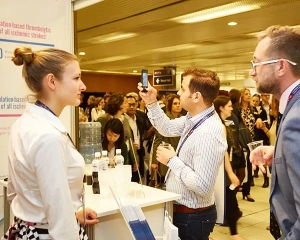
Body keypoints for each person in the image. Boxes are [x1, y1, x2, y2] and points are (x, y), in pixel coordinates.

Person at [4, 47, 99, 240]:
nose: (83, 86)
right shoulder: (47, 135)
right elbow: (61, 224)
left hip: (29, 231)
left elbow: (15, 194)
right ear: (52, 81)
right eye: (76, 78)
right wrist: (59, 219)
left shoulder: (23, 124)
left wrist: (69, 213)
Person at [138, 68, 227, 240]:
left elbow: (202, 186)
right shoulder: (194, 118)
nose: (178, 93)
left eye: (183, 89)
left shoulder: (209, 132)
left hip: (192, 217)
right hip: (185, 212)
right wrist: (151, 102)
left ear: (196, 97)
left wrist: (172, 160)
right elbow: (167, 127)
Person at [249, 25, 300, 239]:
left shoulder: (295, 120)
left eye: (256, 63)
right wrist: (278, 153)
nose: (252, 71)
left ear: (280, 66)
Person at [214, 95, 244, 240]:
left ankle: (234, 233)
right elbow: (223, 151)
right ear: (221, 108)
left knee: (229, 200)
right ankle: (234, 234)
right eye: (229, 106)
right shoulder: (219, 126)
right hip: (219, 171)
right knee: (229, 201)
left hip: (220, 170)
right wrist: (231, 173)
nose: (232, 108)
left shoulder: (221, 124)